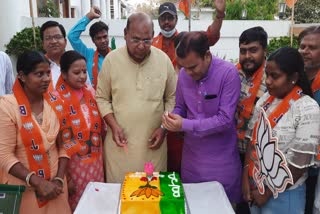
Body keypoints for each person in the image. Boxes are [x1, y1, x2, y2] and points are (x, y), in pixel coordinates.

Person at [162, 31, 242, 204]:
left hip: (221, 166)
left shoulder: (228, 74)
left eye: (192, 67)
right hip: (191, 164)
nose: (188, 73)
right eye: (184, 67)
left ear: (207, 55)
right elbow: (180, 106)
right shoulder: (184, 74)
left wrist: (184, 124)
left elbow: (225, 120)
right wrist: (172, 118)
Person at [96, 12, 176, 183]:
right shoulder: (111, 61)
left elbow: (172, 97)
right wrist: (113, 125)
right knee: (121, 198)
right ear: (125, 34)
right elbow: (102, 97)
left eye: (146, 40)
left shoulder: (163, 60)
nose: (141, 45)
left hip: (154, 147)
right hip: (120, 147)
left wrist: (163, 127)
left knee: (152, 197)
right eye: (135, 39)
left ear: (153, 36)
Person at [242, 47, 320, 214]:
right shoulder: (265, 99)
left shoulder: (307, 108)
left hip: (284, 195)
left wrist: (268, 192)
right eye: (267, 75)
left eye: (274, 76)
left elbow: (299, 163)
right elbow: (252, 141)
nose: (268, 81)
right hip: (256, 187)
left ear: (293, 78)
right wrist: (246, 180)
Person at [153, 0, 225, 174]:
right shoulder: (152, 44)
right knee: (161, 155)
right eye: (163, 18)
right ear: (159, 21)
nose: (167, 22)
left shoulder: (188, 40)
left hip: (186, 106)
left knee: (182, 155)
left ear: (176, 19)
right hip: (160, 106)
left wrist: (220, 15)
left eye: (170, 17)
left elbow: (211, 35)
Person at [0, 51, 71, 213]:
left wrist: (59, 178)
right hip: (26, 191)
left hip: (56, 188)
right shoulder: (7, 107)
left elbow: (64, 145)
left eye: (48, 73)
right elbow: (4, 155)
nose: (46, 79)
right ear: (22, 76)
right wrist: (38, 182)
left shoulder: (56, 103)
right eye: (39, 74)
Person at [55, 50, 104, 211]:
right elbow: (57, 141)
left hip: (96, 163)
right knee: (79, 205)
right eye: (76, 72)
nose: (82, 76)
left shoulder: (91, 93)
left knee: (97, 202)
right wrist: (66, 177)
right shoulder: (56, 100)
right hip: (72, 165)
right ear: (64, 74)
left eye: (84, 71)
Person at [298, 26, 320, 214]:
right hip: (295, 162)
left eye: (311, 47)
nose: (305, 51)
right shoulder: (291, 78)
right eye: (302, 46)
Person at [68, 6, 111, 89]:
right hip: (93, 99)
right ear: (93, 40)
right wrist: (89, 16)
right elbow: (72, 36)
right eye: (98, 38)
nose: (103, 40)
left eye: (105, 36)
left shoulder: (116, 55)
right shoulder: (88, 55)